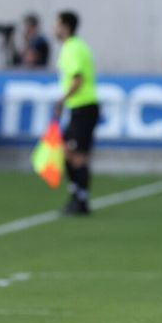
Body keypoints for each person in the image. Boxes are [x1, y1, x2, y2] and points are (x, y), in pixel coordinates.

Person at [53, 11, 99, 216]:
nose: (54, 29)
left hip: (84, 107)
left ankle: (81, 201)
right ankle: (76, 195)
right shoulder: (76, 46)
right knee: (67, 152)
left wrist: (62, 100)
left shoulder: (72, 48)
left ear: (66, 27)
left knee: (78, 156)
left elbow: (77, 79)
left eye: (57, 24)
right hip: (79, 108)